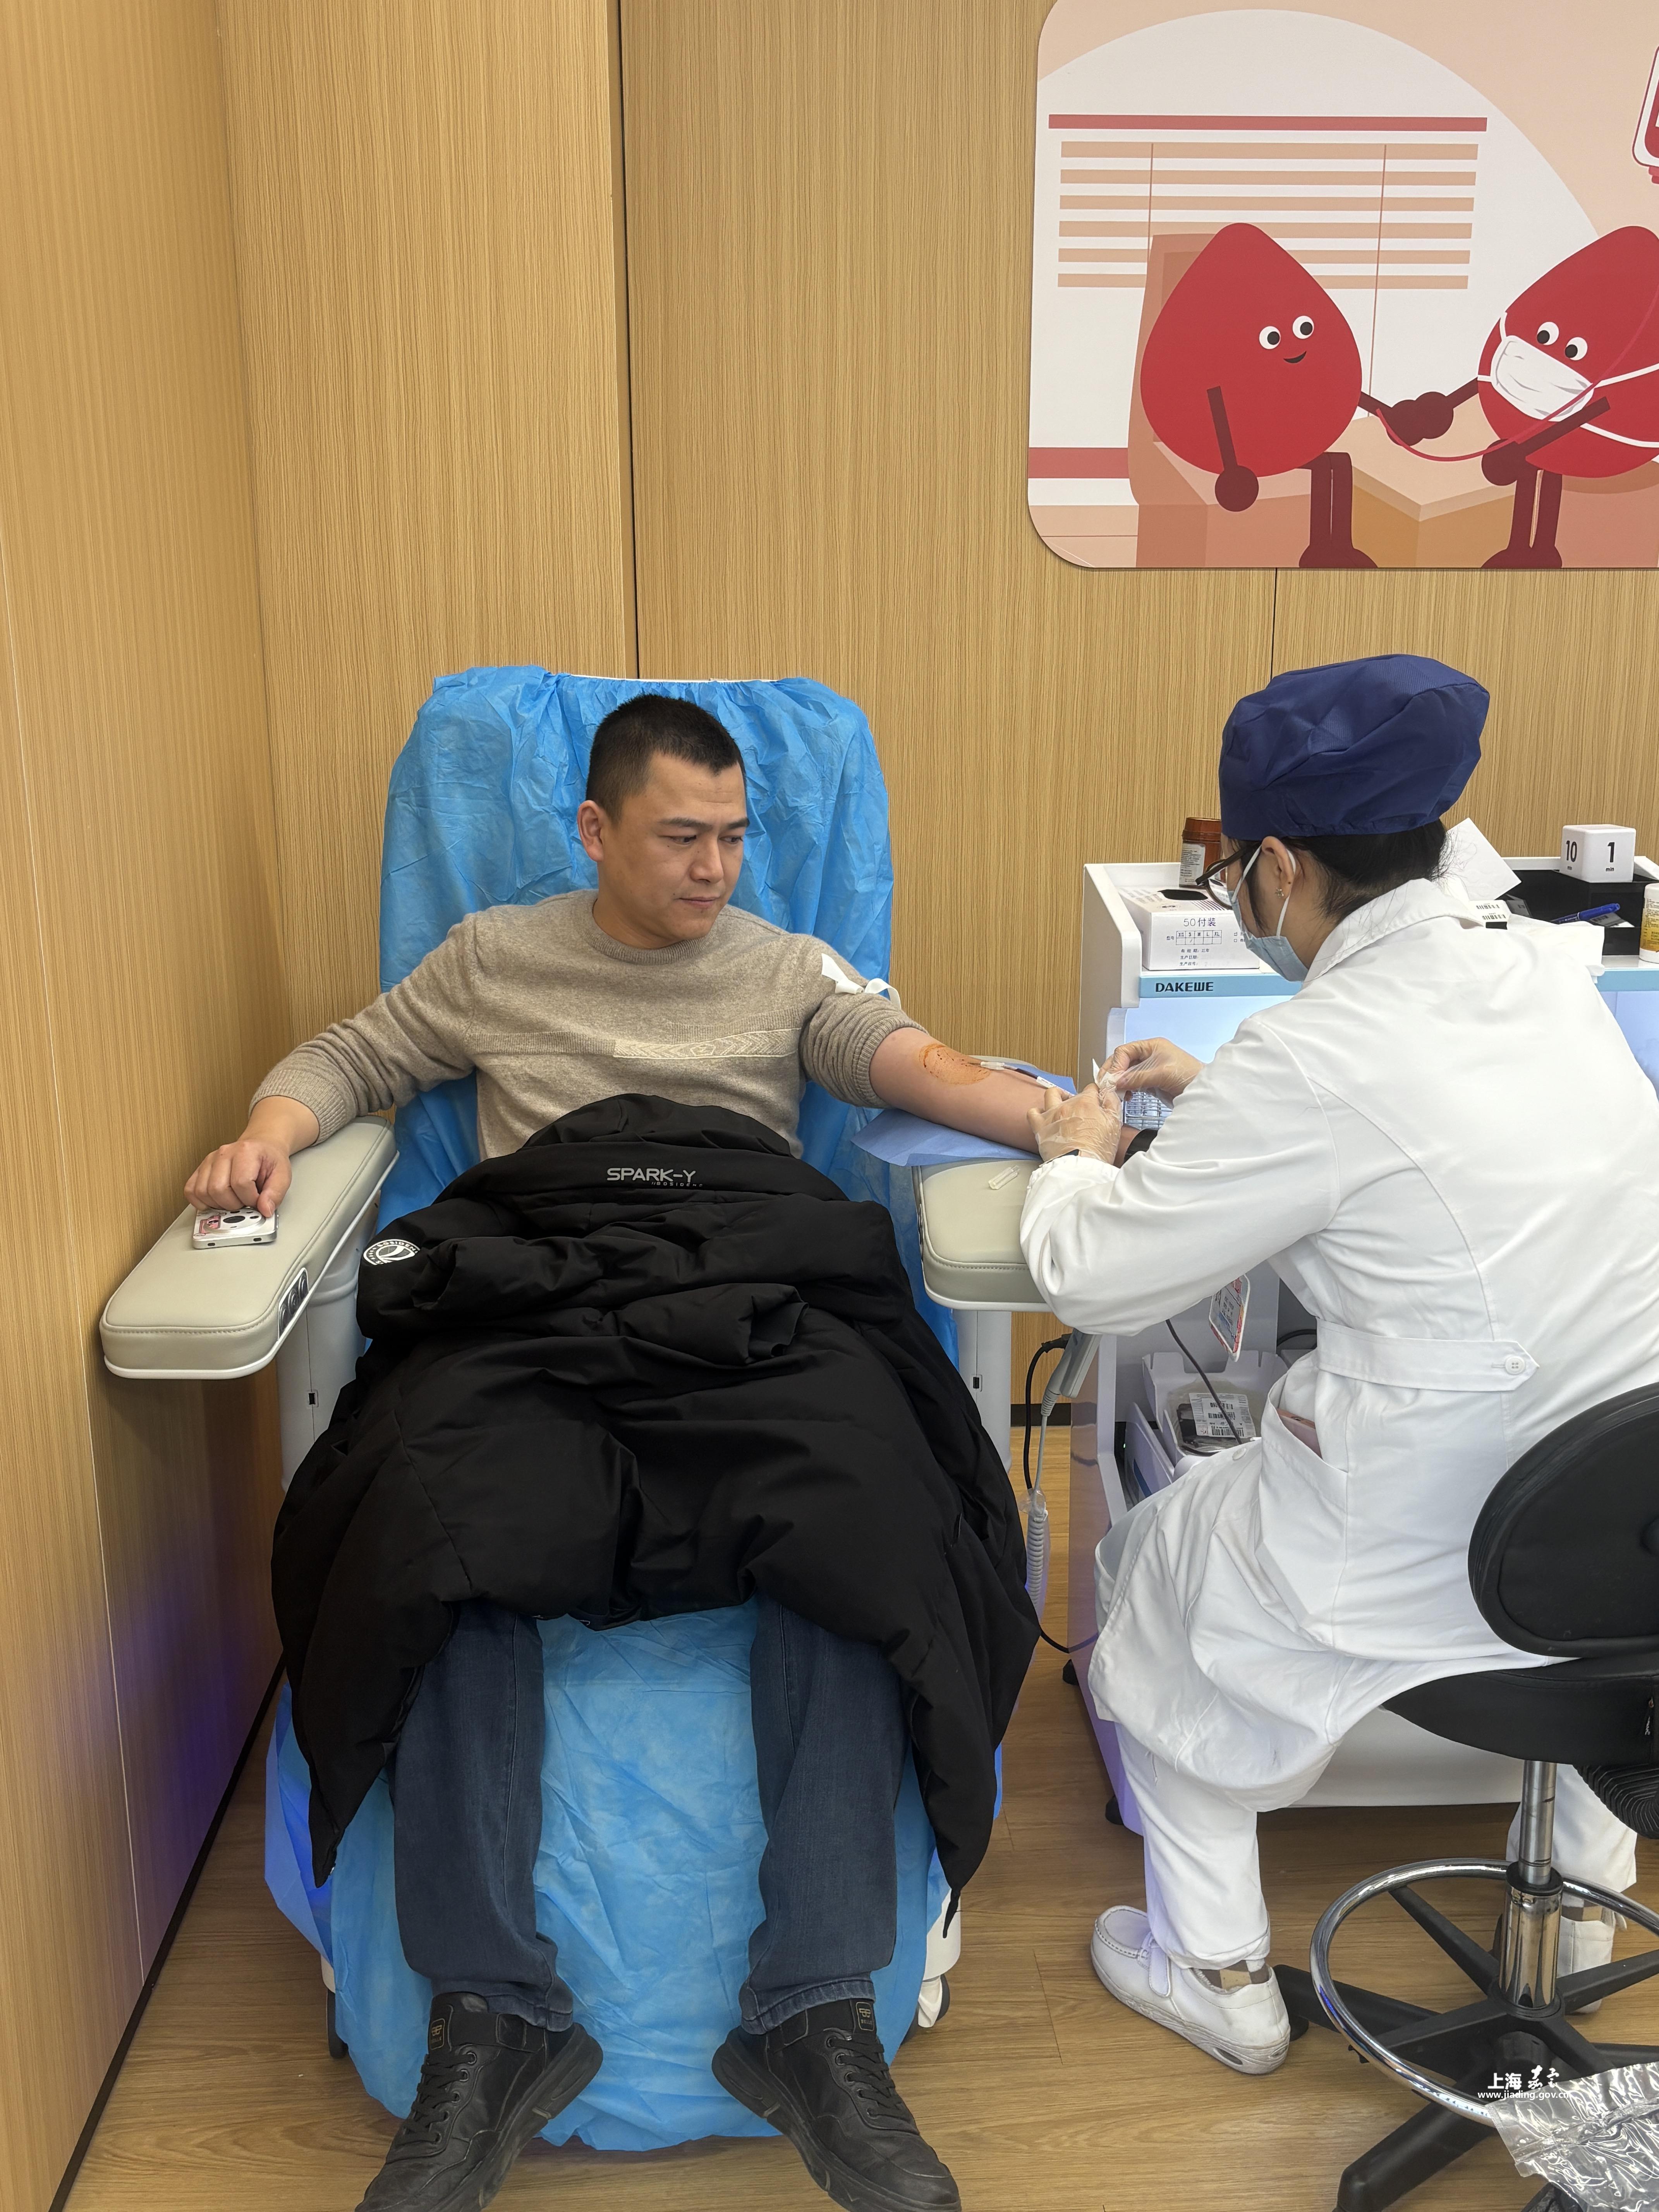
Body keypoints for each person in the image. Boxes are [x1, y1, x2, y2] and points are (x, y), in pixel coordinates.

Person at [188, 694, 1044, 2212]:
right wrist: (269, 1131)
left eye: (735, 839)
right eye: (680, 838)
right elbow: (354, 1056)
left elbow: (911, 1061)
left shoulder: (784, 967)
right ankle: (491, 2017)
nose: (715, 869)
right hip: (539, 1283)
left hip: (753, 1280)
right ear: (595, 831)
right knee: (436, 1527)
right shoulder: (493, 959)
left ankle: (813, 2015)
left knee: (864, 1525)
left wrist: (1054, 1118)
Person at [1022, 654, 1657, 2077]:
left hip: (1440, 1539)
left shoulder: (1310, 1055)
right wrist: (1233, 1105)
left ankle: (1216, 1975)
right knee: (1594, 1577)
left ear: (1277, 866)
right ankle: (1582, 1922)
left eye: (1238, 874)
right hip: (1630, 1526)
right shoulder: (1540, 970)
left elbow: (1092, 1276)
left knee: (1155, 1574)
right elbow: (1431, 1144)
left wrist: (1075, 1158)